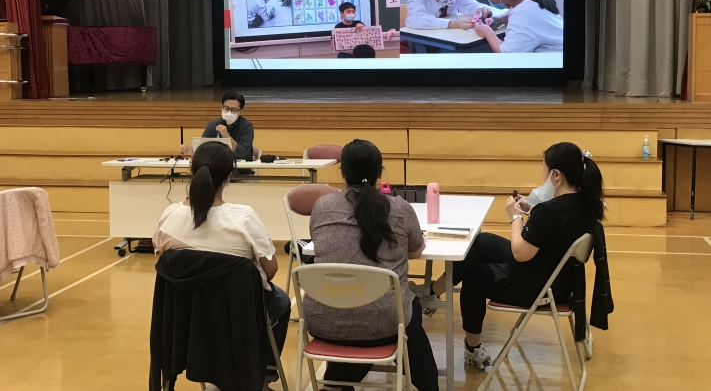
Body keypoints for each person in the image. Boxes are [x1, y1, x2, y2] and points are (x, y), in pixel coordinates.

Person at [410, 142, 604, 369]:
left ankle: (472, 348)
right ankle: (433, 293)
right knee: (480, 243)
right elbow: (553, 230)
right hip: (559, 281)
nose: (542, 175)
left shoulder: (550, 211)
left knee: (475, 275)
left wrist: (515, 216)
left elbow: (520, 252)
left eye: (544, 169)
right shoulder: (586, 204)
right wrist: (532, 211)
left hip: (535, 287)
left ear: (556, 175)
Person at [153, 141, 291, 388]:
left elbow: (163, 262)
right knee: (282, 301)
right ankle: (263, 374)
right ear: (229, 176)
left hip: (186, 314)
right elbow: (270, 270)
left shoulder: (169, 215)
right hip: (238, 313)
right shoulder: (243, 218)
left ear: (192, 171)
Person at [304, 139, 438, 391]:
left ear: (342, 172)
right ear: (380, 172)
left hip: (323, 321)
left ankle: (336, 384)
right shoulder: (399, 208)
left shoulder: (322, 206)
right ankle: (426, 383)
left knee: (356, 313)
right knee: (407, 308)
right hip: (385, 323)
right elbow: (416, 251)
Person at [180, 91, 254, 161]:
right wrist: (192, 152)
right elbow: (203, 148)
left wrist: (226, 136)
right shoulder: (213, 124)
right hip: (216, 166)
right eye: (226, 108)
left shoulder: (246, 126)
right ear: (222, 108)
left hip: (239, 167)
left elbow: (244, 153)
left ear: (240, 111)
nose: (229, 112)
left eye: (234, 110)